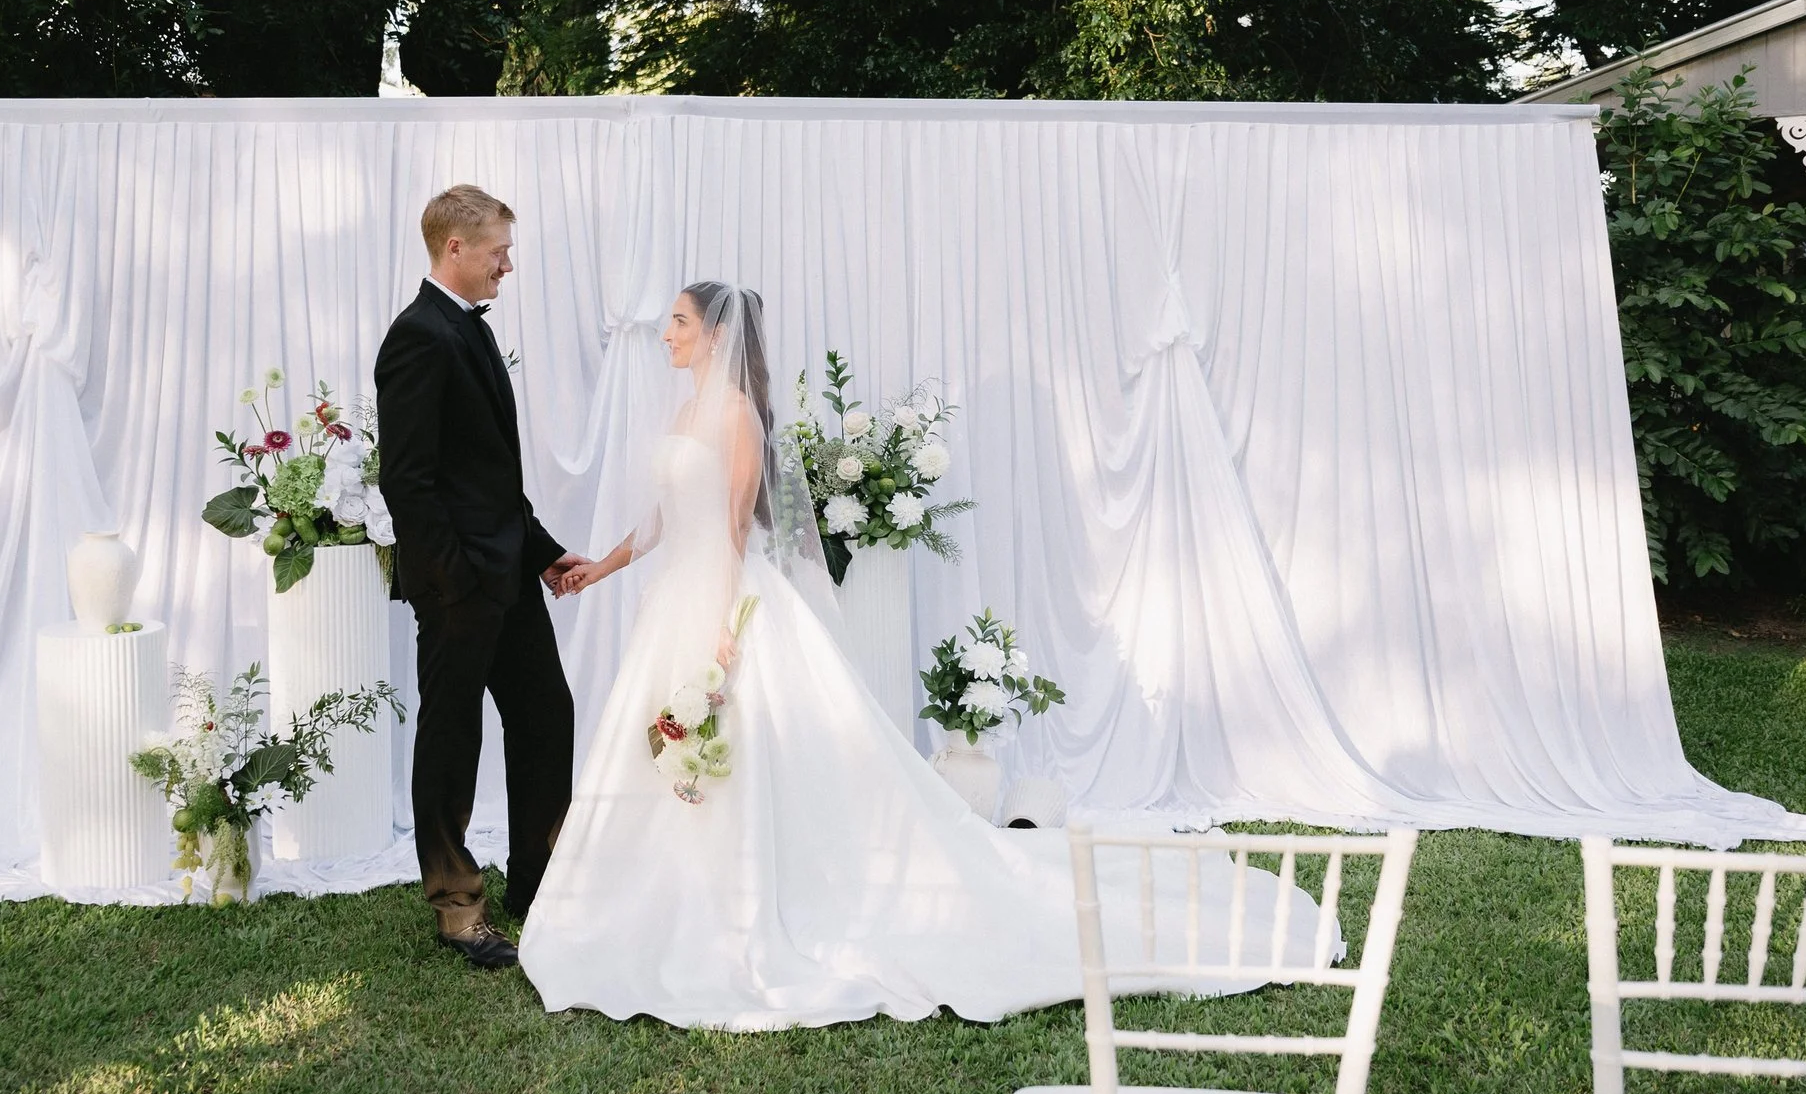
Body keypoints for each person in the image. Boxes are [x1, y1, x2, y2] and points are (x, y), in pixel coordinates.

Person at [520, 282, 1328, 1028]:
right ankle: (665, 902)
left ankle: (748, 906)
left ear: (719, 333)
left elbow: (732, 528)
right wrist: (599, 566)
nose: (666, 333)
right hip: (675, 601)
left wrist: (725, 629)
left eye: (680, 321)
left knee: (739, 753)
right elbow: (667, 516)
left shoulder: (735, 414)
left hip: (726, 602)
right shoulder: (684, 412)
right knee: (663, 752)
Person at [374, 185, 585, 971]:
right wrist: (453, 582)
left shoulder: (471, 330)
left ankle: (537, 881)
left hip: (510, 577)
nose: (507, 262)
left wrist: (541, 551)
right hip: (459, 588)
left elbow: (490, 477)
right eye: (497, 248)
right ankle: (457, 904)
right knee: (452, 739)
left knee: (546, 714)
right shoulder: (418, 337)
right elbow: (409, 481)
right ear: (454, 248)